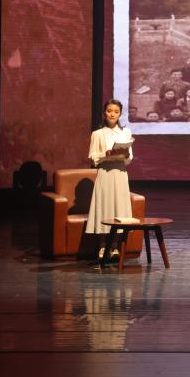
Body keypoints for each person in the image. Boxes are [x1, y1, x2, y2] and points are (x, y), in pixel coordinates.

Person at [84, 99, 135, 259]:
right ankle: (102, 246)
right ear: (104, 113)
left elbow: (129, 158)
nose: (112, 114)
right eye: (109, 111)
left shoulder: (125, 132)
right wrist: (105, 154)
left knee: (119, 208)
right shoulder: (97, 134)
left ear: (120, 114)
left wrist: (125, 155)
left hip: (120, 173)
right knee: (104, 208)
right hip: (105, 173)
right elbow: (93, 157)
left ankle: (115, 247)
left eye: (116, 112)